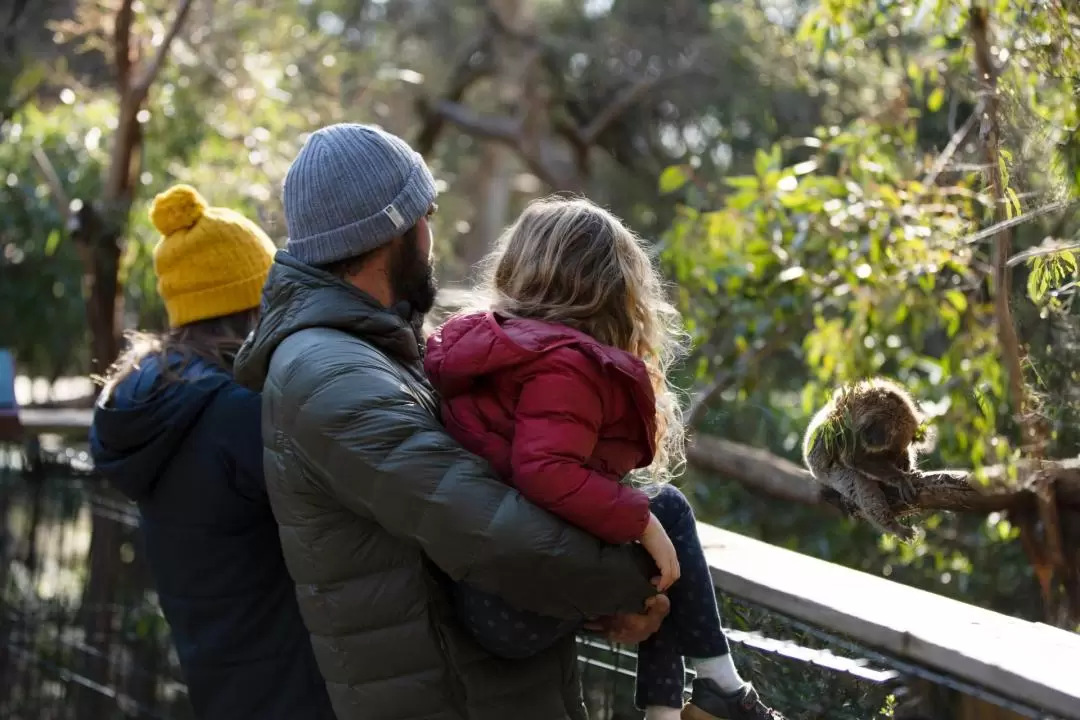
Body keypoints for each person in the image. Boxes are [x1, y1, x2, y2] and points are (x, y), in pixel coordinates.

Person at [232, 123, 669, 720]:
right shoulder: (332, 376)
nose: (431, 237)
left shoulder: (377, 349)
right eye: (427, 215)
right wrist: (649, 574)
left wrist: (596, 601)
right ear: (396, 230)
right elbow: (499, 537)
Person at [424, 197, 786, 720]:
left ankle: (692, 703)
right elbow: (542, 470)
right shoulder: (565, 364)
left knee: (660, 544)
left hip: (482, 588)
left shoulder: (491, 348)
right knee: (667, 513)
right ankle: (719, 691)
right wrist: (640, 522)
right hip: (508, 601)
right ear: (611, 291)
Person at [89, 185, 335, 720]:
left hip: (219, 676)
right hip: (296, 684)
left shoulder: (161, 399)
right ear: (254, 302)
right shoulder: (236, 414)